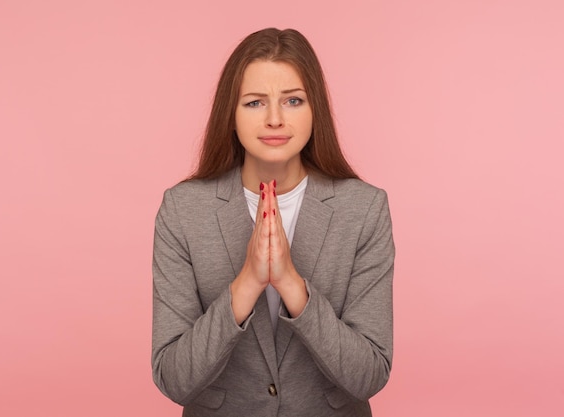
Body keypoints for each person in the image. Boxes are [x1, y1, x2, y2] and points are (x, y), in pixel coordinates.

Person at [151, 28, 395, 417]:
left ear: (315, 110)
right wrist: (247, 283)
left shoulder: (365, 209)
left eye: (293, 100)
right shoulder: (182, 210)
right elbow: (174, 379)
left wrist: (292, 286)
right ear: (230, 114)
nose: (275, 119)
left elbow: (369, 376)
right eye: (254, 103)